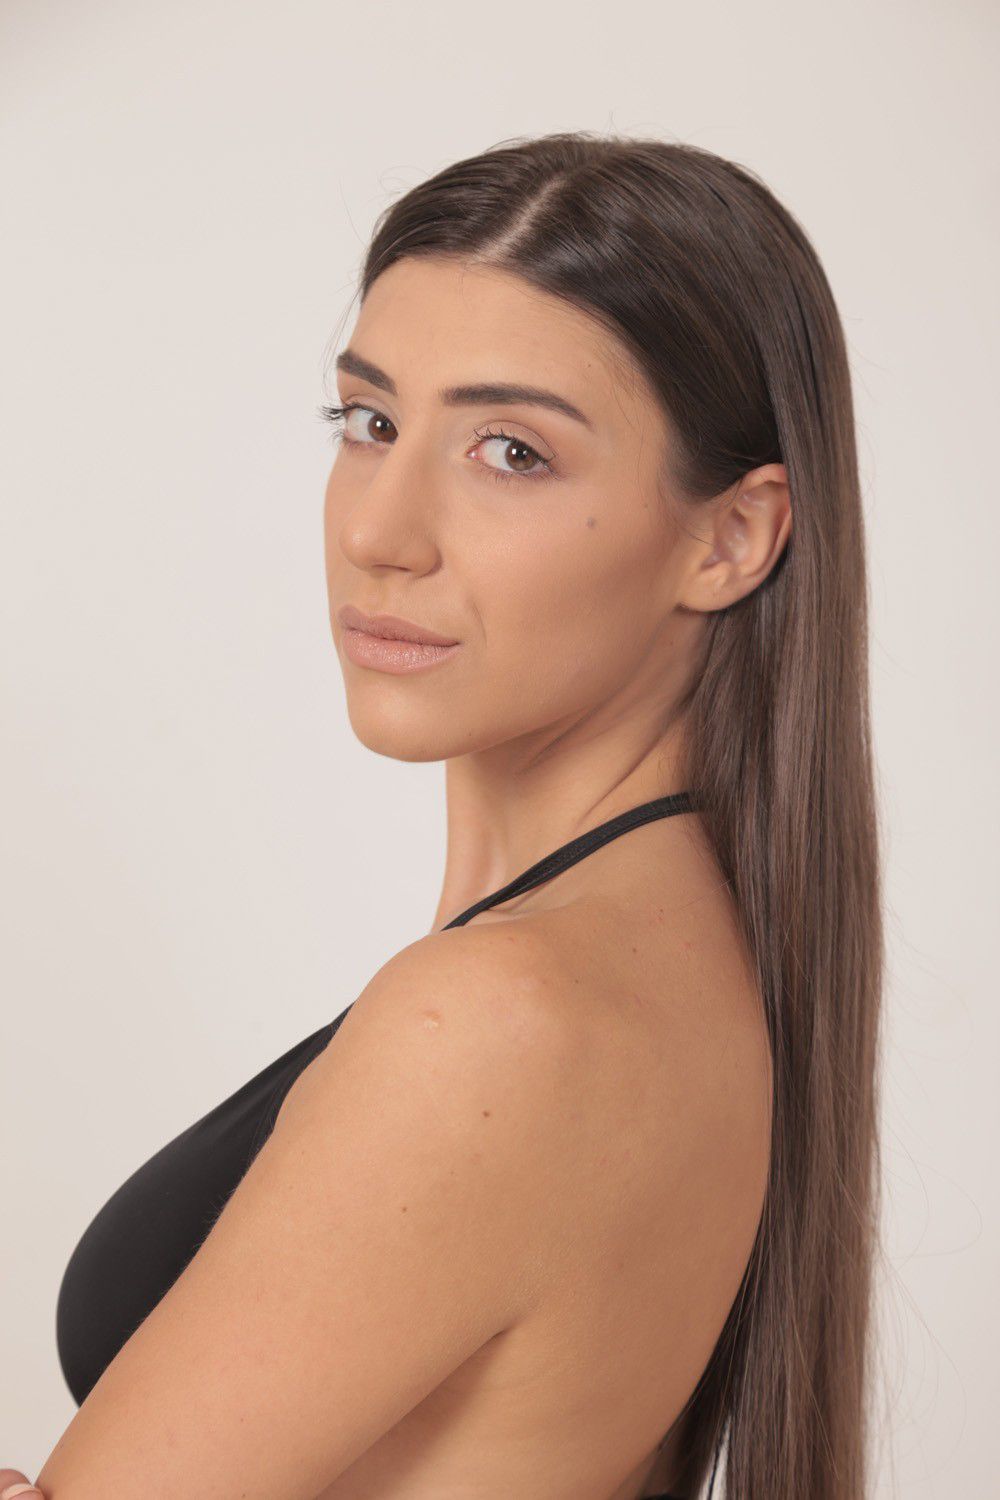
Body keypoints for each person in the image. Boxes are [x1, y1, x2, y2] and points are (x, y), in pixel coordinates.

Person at [7, 130, 884, 1500]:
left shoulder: (497, 1023)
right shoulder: (669, 968)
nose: (379, 532)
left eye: (510, 451)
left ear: (730, 538)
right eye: (369, 423)